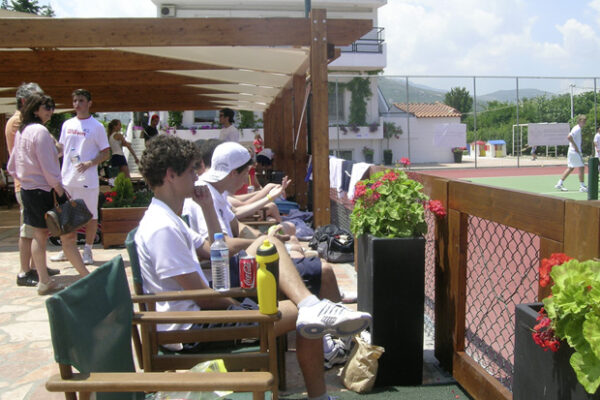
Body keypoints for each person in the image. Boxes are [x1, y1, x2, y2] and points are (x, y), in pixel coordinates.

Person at [135, 135, 371, 400]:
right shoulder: (162, 228)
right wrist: (241, 306)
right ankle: (319, 386)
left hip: (199, 318)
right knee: (304, 315)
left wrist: (209, 207)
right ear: (171, 175)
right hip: (191, 331)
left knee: (281, 268)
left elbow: (212, 249)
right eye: (191, 171)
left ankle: (312, 312)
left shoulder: (170, 219)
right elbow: (202, 298)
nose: (197, 177)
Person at [7, 94, 90, 295]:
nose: (51, 111)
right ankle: (84, 276)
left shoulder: (22, 131)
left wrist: (27, 178)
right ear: (35, 109)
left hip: (29, 189)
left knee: (40, 235)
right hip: (46, 190)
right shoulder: (40, 131)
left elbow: (12, 166)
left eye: (51, 107)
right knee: (67, 233)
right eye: (47, 107)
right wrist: (59, 189)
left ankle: (45, 280)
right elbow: (48, 167)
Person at [5, 82, 60, 286]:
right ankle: (25, 271)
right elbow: (26, 158)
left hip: (31, 184)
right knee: (31, 231)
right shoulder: (20, 123)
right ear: (25, 101)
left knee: (35, 231)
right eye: (39, 100)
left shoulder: (27, 123)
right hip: (30, 185)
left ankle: (37, 267)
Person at [51, 89, 110, 265]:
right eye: (75, 100)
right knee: (67, 215)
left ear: (89, 103)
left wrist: (89, 163)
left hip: (87, 180)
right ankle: (67, 249)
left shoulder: (97, 126)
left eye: (81, 100)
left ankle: (88, 250)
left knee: (90, 216)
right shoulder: (67, 124)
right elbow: (62, 149)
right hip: (67, 178)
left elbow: (105, 152)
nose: (77, 104)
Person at [555, 115, 588, 192]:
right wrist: (575, 146)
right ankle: (582, 186)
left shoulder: (577, 128)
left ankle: (559, 183)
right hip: (574, 151)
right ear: (579, 121)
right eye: (583, 121)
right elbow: (569, 137)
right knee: (581, 167)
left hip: (572, 151)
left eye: (585, 121)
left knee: (571, 168)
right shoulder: (577, 128)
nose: (584, 122)